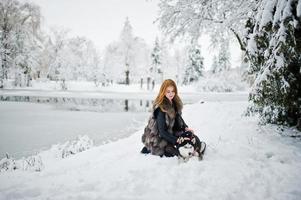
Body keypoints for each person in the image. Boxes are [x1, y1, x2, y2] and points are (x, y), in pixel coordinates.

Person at [141, 79, 205, 158]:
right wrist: (176, 140)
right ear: (163, 92)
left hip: (170, 133)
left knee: (190, 136)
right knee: (176, 150)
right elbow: (162, 132)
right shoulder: (161, 108)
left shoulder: (173, 103)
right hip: (159, 139)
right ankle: (187, 152)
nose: (171, 94)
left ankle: (196, 148)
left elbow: (179, 118)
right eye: (168, 91)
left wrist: (185, 128)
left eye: (173, 91)